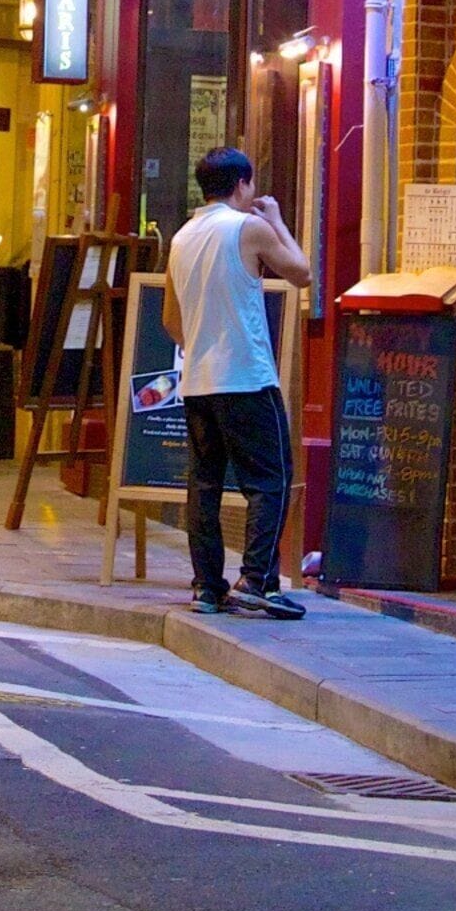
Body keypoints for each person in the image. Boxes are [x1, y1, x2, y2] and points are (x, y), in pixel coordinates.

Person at [164, 148, 312, 619]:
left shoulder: (181, 238)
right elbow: (302, 273)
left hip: (197, 381)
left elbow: (171, 319)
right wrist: (278, 220)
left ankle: (207, 587)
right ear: (242, 184)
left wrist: (203, 342)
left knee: (205, 484)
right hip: (246, 376)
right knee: (271, 480)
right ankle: (257, 580)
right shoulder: (248, 228)